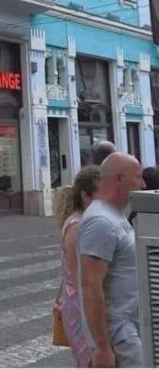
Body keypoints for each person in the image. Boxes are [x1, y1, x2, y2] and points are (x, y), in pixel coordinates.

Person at [79, 152, 145, 368]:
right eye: (138, 177)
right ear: (119, 178)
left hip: (130, 327)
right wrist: (102, 346)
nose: (143, 184)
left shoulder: (115, 215)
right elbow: (91, 285)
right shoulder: (100, 221)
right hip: (119, 332)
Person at [56, 165, 100, 367]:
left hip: (80, 302)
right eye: (98, 195)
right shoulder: (76, 225)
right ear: (85, 195)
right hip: (79, 304)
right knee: (88, 360)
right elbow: (78, 276)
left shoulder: (84, 221)